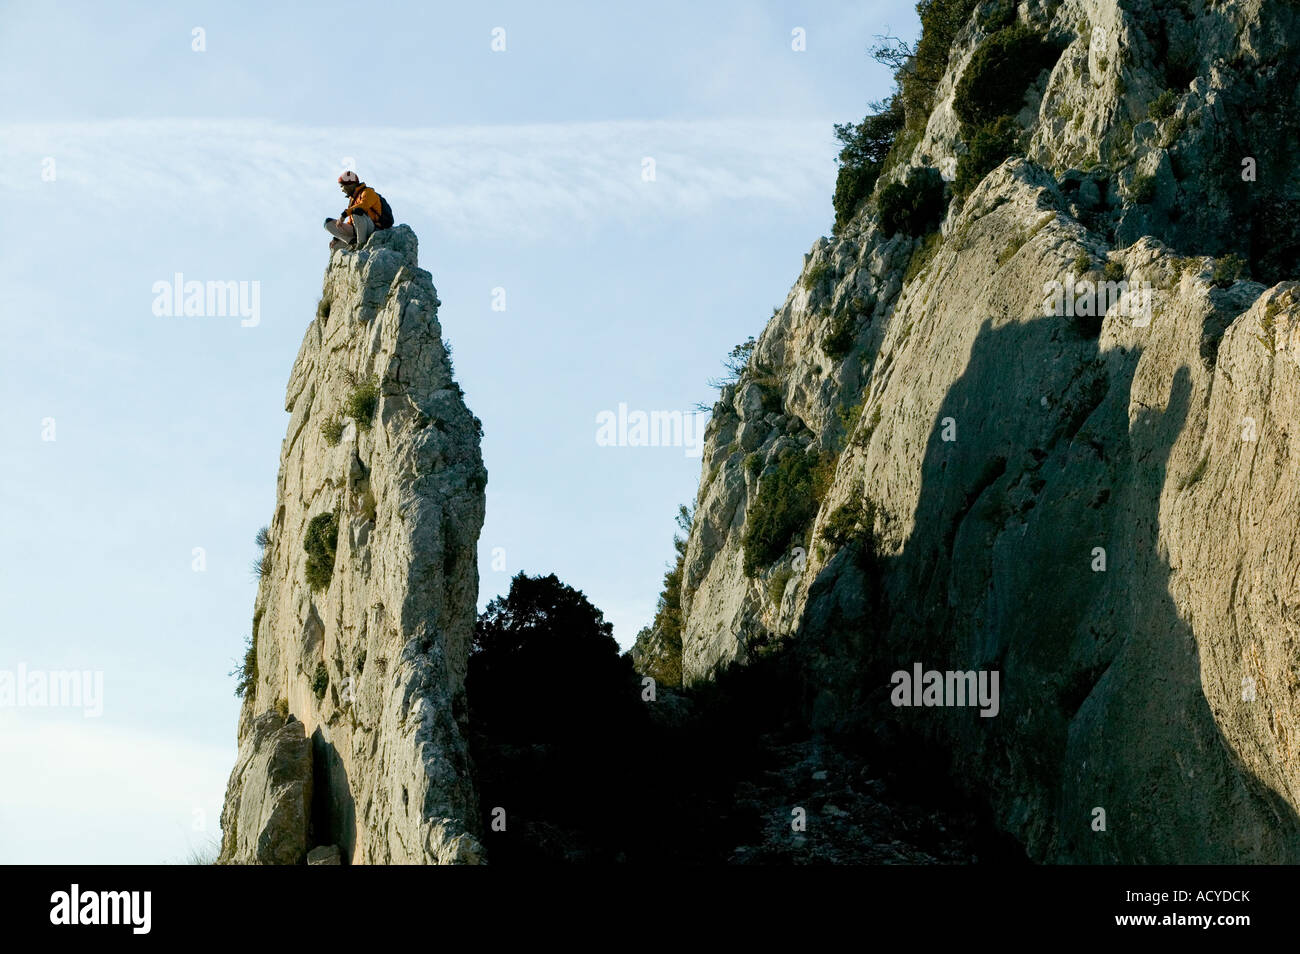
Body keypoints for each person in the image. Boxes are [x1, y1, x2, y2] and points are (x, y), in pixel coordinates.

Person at [324, 172, 382, 251]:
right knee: (328, 224)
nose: (342, 190)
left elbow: (363, 206)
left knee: (357, 211)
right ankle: (351, 241)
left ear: (350, 185)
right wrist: (336, 237)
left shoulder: (368, 192)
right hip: (357, 229)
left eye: (342, 186)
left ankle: (361, 244)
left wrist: (344, 214)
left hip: (372, 228)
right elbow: (351, 222)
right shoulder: (352, 200)